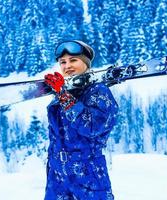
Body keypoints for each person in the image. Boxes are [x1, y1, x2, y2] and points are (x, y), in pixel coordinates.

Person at [44, 40, 119, 200]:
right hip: (57, 178)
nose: (67, 66)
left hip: (88, 175)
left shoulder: (99, 92)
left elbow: (91, 127)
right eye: (62, 62)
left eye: (73, 60)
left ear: (86, 63)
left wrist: (64, 96)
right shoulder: (60, 95)